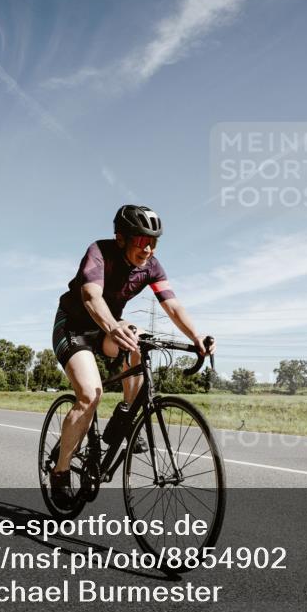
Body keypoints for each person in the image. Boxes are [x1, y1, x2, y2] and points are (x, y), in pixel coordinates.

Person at [49, 204, 215, 507]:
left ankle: (125, 416)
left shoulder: (152, 266)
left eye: (154, 241)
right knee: (89, 395)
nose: (148, 248)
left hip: (107, 330)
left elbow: (172, 305)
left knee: (139, 339)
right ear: (121, 237)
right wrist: (112, 327)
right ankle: (59, 473)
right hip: (73, 327)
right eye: (141, 240)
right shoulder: (99, 251)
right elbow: (90, 296)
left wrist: (197, 336)